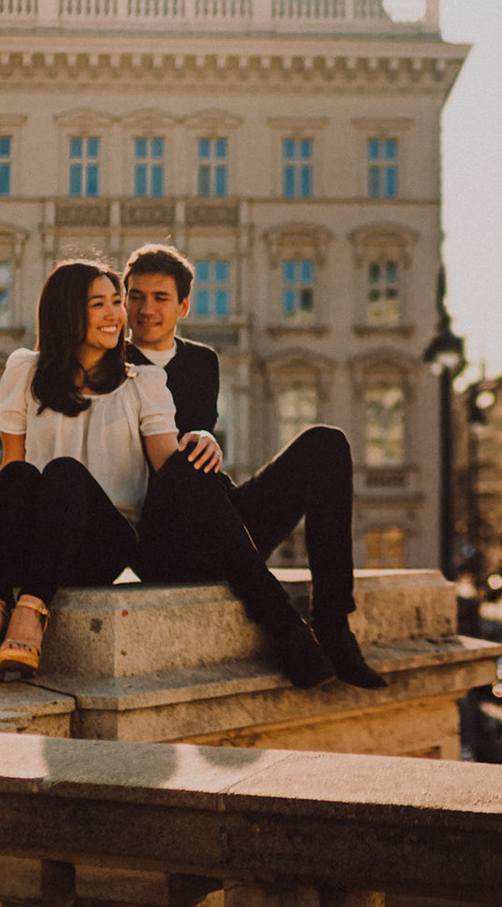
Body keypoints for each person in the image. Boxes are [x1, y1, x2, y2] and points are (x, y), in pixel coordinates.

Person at [0, 258, 352, 689]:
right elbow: (12, 468)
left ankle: (31, 617)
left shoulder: (142, 381)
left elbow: (172, 473)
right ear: (65, 312)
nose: (116, 314)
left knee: (79, 470)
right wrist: (1, 557)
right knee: (22, 476)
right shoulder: (24, 372)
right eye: (100, 304)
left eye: (115, 302)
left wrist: (198, 444)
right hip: (47, 538)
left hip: (109, 541)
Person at [121, 243, 385, 689]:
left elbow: (197, 440)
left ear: (183, 306)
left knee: (326, 444)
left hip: (224, 529)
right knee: (188, 462)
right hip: (160, 542)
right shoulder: (111, 366)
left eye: (160, 297)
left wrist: (205, 438)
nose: (146, 309)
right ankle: (283, 625)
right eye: (136, 296)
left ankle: (333, 623)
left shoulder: (202, 361)